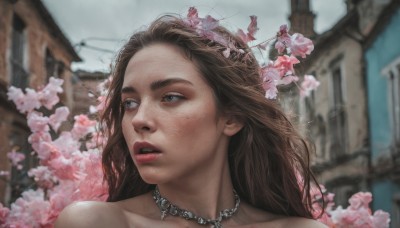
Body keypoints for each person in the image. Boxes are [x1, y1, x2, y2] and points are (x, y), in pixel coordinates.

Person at [55, 8, 327, 228]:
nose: (139, 119)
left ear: (231, 116)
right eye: (130, 103)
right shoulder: (94, 223)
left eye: (171, 97)